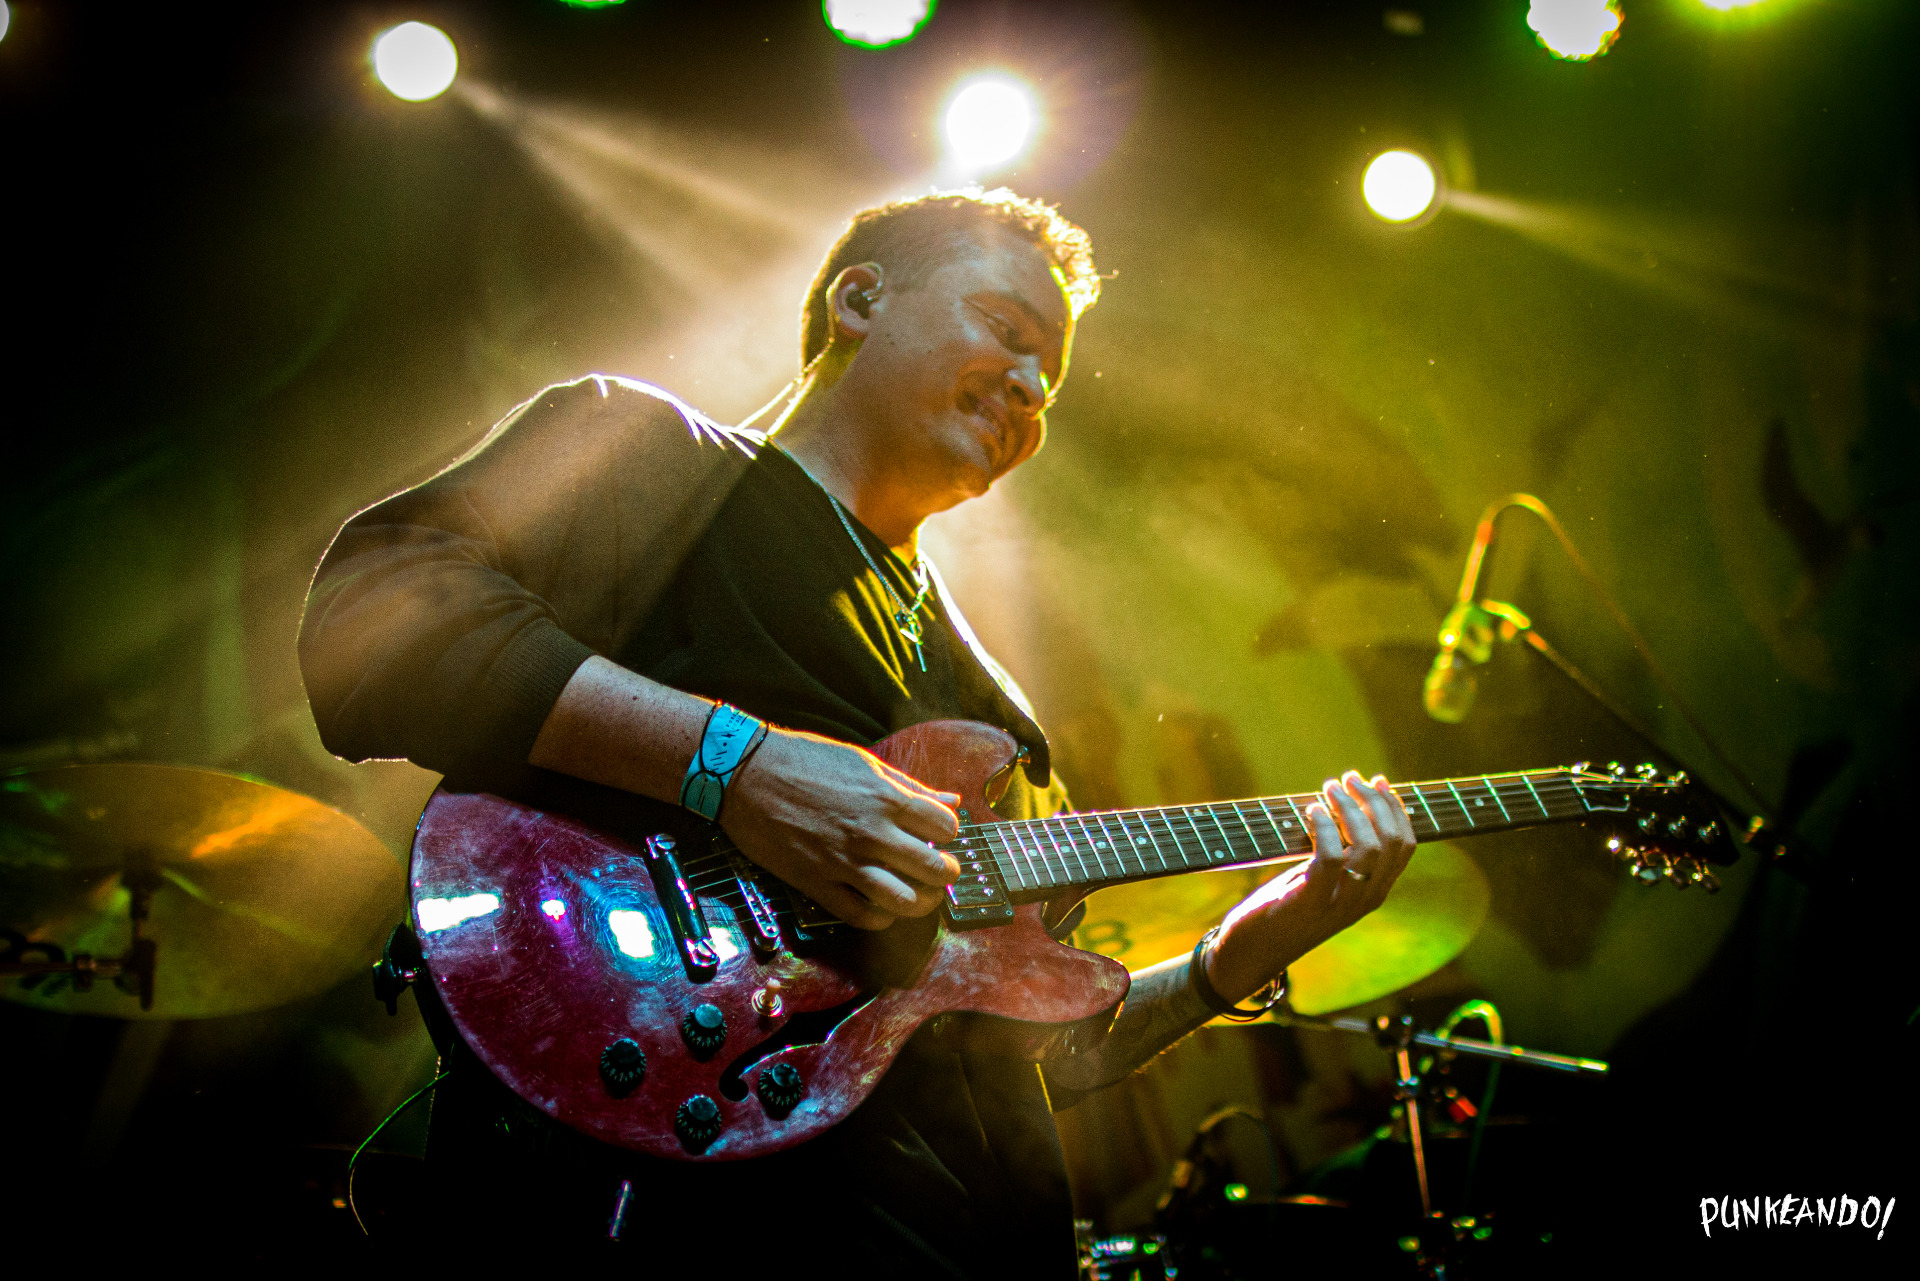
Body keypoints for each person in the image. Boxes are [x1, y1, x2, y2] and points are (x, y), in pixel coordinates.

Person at [299, 188, 1416, 1274]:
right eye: (1008, 330)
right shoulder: (653, 457)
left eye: (1051, 375)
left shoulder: (997, 716)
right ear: (861, 300)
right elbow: (369, 620)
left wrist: (1256, 943)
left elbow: (1044, 1055)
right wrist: (733, 764)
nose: (1033, 388)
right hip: (673, 1220)